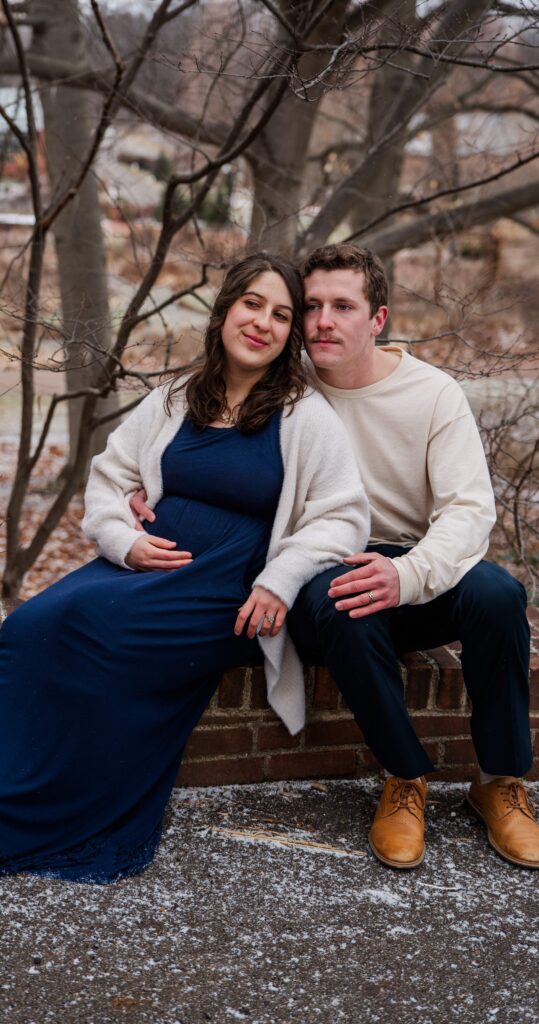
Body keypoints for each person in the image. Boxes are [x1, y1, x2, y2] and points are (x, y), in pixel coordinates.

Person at [0, 252, 369, 887]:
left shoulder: (303, 414)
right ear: (225, 311)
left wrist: (279, 581)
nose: (263, 323)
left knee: (99, 630)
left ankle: (26, 823)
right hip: (140, 568)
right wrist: (123, 541)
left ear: (291, 335)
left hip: (225, 589)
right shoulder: (176, 396)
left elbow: (343, 519)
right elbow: (109, 476)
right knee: (29, 627)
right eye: (252, 304)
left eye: (282, 315)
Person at [287, 243, 538, 870]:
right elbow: (194, 415)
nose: (323, 321)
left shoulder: (432, 394)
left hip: (412, 568)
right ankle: (405, 778)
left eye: (343, 306)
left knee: (499, 595)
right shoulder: (285, 385)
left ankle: (499, 781)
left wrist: (406, 574)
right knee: (342, 601)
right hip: (320, 569)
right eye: (312, 306)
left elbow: (468, 511)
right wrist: (140, 487)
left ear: (378, 319)